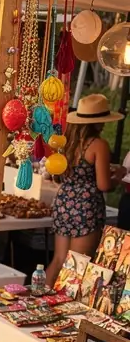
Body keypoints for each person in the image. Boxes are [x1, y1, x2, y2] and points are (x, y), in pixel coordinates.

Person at [45, 93, 125, 286]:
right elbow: (103, 185)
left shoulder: (67, 143)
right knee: (77, 264)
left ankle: (38, 297)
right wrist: (119, 176)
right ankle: (65, 303)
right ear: (98, 122)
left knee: (58, 260)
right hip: (86, 207)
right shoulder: (98, 145)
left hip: (64, 203)